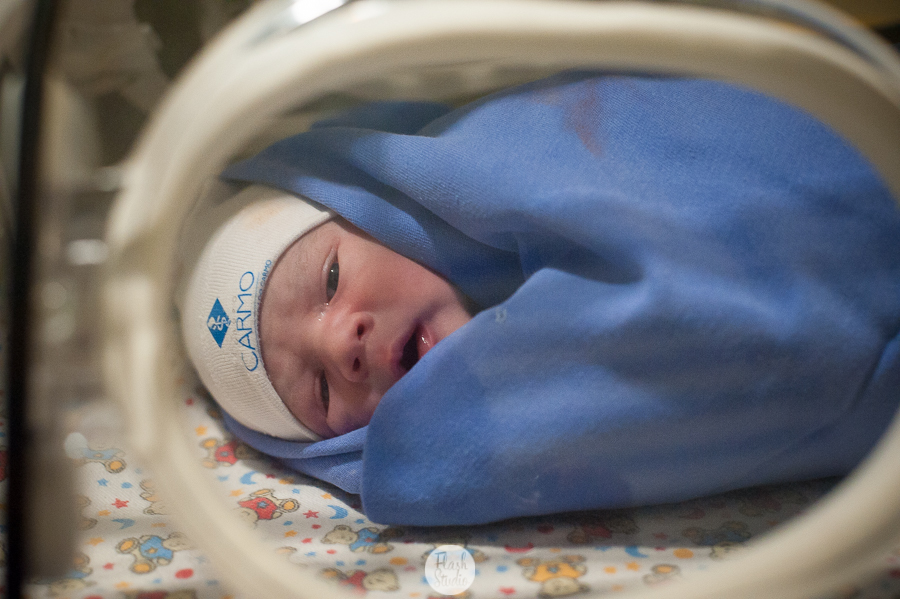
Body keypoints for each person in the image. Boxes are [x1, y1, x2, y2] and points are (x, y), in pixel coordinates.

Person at [180, 72, 900, 526]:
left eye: (331, 280)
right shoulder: (439, 428)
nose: (344, 343)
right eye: (319, 389)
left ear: (374, 208)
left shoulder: (502, 154)